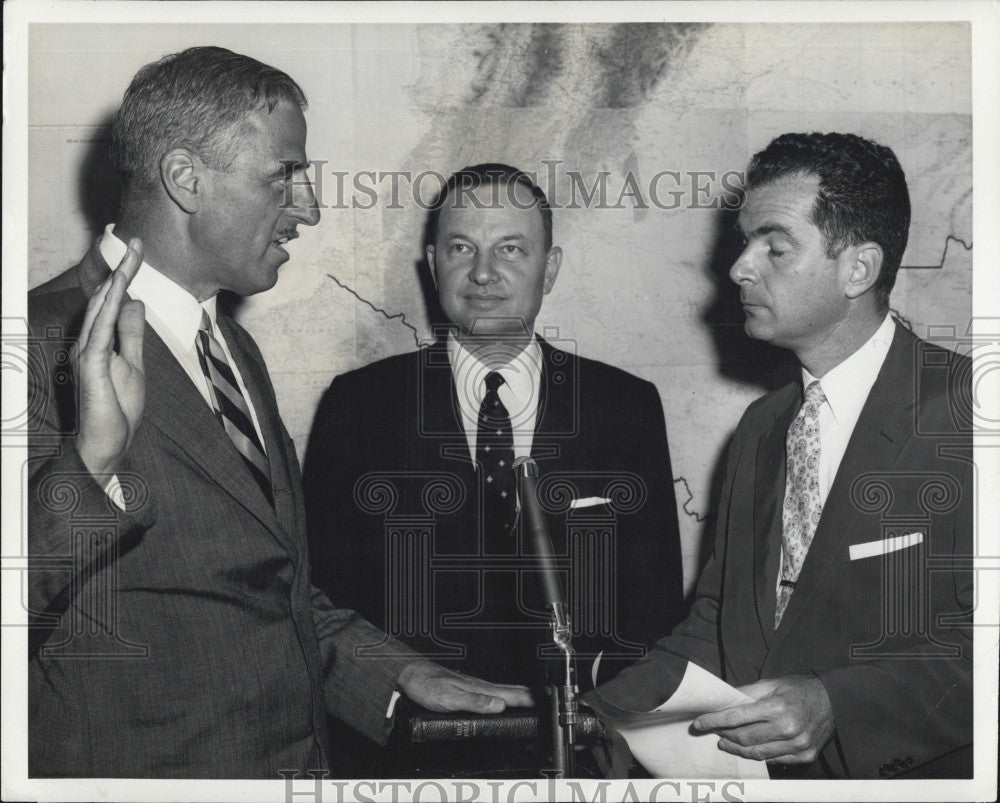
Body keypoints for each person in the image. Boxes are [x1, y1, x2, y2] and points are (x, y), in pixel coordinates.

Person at [26, 46, 531, 779]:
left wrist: (394, 673)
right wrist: (91, 464)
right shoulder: (34, 339)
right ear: (185, 178)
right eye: (282, 175)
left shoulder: (232, 348)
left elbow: (268, 591)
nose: (310, 205)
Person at [589, 132, 973, 779]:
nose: (740, 266)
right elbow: (715, 626)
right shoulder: (762, 428)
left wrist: (837, 702)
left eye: (775, 244)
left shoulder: (972, 414)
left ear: (859, 267)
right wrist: (587, 716)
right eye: (744, 242)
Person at [304, 164, 686, 689]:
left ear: (549, 269)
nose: (483, 273)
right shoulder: (358, 408)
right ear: (434, 266)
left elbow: (653, 608)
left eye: (510, 249)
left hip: (576, 747)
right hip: (411, 753)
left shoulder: (626, 408)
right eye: (461, 249)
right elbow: (322, 602)